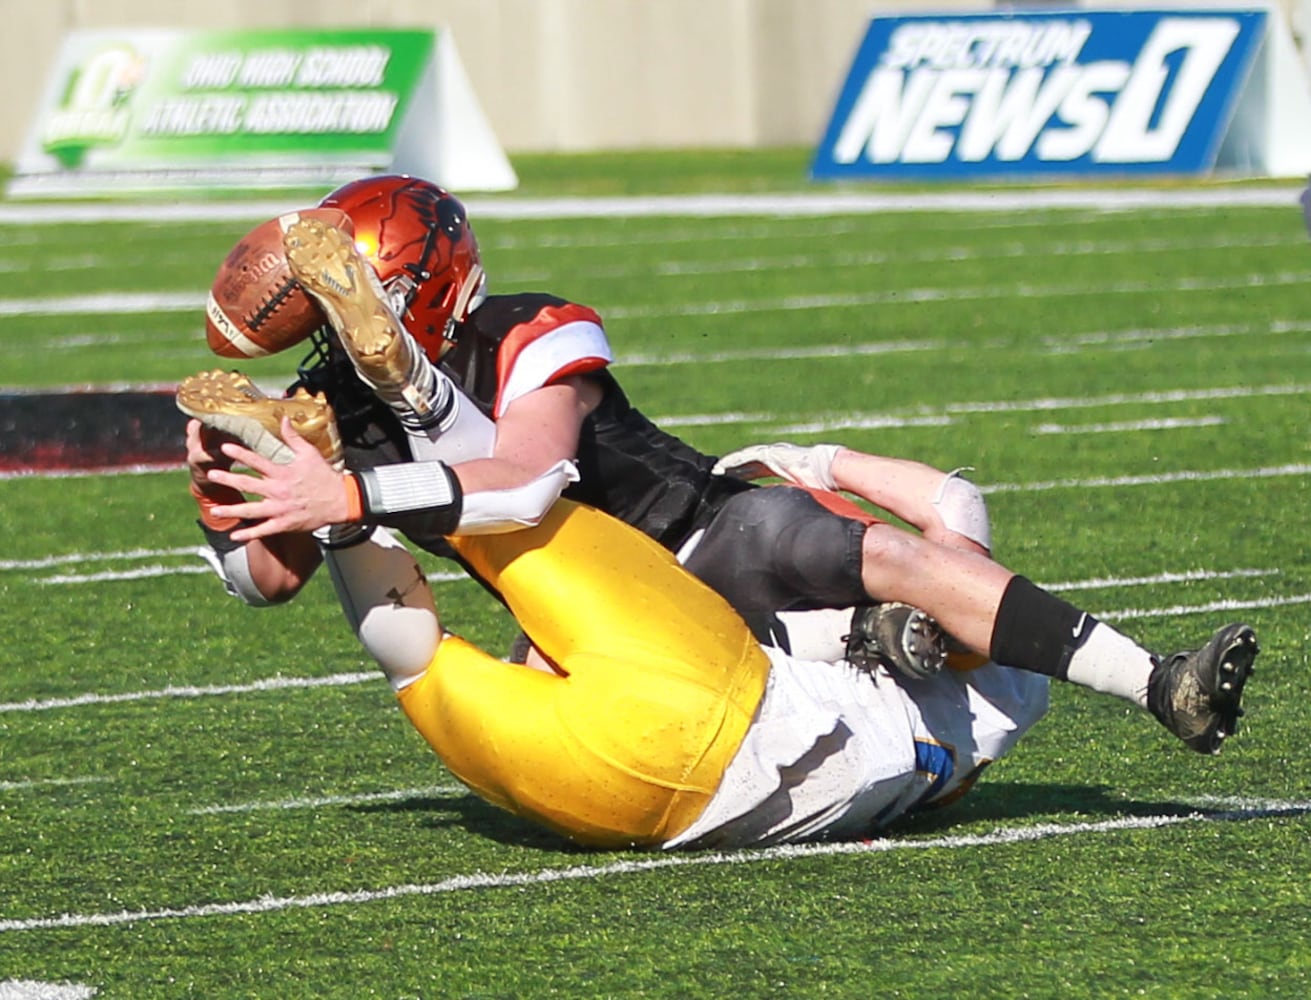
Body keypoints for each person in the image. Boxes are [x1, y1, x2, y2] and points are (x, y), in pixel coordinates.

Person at [181, 179, 1259, 756]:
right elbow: (264, 580)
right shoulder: (349, 417)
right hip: (588, 612)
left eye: (348, 305)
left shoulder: (532, 334)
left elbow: (520, 483)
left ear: (412, 297)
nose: (331, 334)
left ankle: (1152, 678)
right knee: (554, 737)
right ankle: (864, 646)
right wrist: (243, 498)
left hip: (703, 539)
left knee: (879, 549)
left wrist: (355, 492)